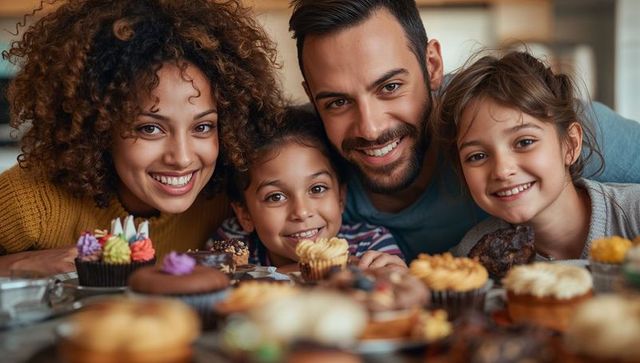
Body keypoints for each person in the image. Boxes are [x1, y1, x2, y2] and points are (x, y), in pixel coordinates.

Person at [288, 0, 640, 261]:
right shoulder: (296, 158)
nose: (370, 127)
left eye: (390, 87)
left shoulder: (507, 109)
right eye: (337, 102)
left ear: (432, 65)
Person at [0, 0, 283, 275]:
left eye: (203, 127)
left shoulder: (229, 197)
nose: (182, 158)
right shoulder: (29, 201)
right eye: (150, 128)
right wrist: (13, 266)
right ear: (99, 127)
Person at [437, 51, 640, 260]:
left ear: (570, 144)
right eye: (477, 156)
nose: (502, 170)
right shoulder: (475, 254)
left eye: (525, 142)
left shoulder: (634, 214)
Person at [214, 106, 407, 271]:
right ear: (245, 215)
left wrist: (396, 280)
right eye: (275, 197)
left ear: (340, 197)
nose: (302, 212)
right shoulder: (235, 245)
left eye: (317, 189)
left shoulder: (371, 246)